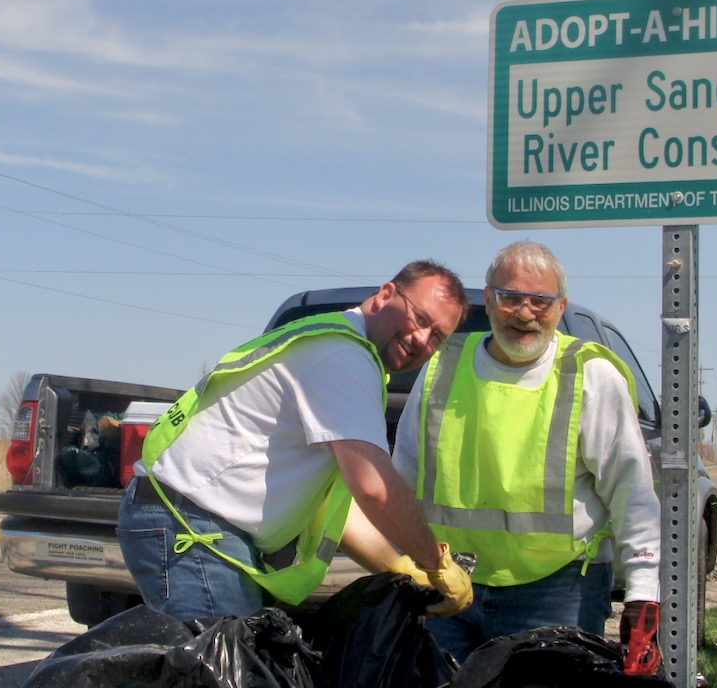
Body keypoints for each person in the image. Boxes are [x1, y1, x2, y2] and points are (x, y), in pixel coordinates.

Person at [117, 260, 475, 622]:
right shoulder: (344, 356)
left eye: (437, 337)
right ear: (385, 294)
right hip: (190, 524)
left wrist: (399, 565)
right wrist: (436, 563)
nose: (422, 340)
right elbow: (375, 488)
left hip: (195, 522)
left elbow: (339, 510)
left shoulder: (338, 348)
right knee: (227, 673)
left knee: (227, 664)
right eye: (420, 318)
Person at [389, 240, 662, 664]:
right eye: (510, 298)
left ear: (560, 306)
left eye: (540, 301)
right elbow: (402, 474)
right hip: (446, 585)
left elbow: (632, 491)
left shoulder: (589, 375)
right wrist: (397, 562)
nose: (524, 312)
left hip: (556, 590)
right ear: (489, 299)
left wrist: (643, 592)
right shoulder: (442, 366)